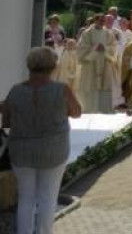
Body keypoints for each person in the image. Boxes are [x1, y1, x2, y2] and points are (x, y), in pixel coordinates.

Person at [1, 47, 81, 234]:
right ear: (53, 66)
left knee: (26, 198)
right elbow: (77, 112)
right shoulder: (62, 89)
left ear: (29, 66)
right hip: (54, 150)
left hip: (22, 150)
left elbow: (6, 121)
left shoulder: (16, 91)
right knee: (47, 197)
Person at [76, 13, 117, 113]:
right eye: (100, 20)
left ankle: (103, 109)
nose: (102, 22)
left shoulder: (108, 33)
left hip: (104, 60)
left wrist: (105, 48)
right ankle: (89, 108)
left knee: (104, 85)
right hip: (91, 63)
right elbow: (81, 47)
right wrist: (94, 48)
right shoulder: (87, 33)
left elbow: (113, 47)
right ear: (95, 20)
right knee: (90, 84)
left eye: (104, 20)